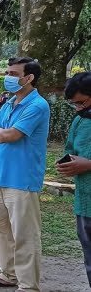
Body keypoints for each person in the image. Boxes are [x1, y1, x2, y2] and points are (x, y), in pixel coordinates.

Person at [0, 57, 49, 291]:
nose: (8, 77)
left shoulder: (37, 105)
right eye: (8, 72)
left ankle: (28, 285)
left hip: (23, 179)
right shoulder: (9, 103)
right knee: (2, 229)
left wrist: (0, 134)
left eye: (13, 73)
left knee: (24, 234)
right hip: (3, 176)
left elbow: (12, 135)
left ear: (29, 78)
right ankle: (7, 274)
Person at [56, 72, 91, 288]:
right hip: (85, 202)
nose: (78, 108)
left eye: (82, 102)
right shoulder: (80, 120)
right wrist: (66, 164)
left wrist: (88, 164)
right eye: (74, 104)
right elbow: (70, 149)